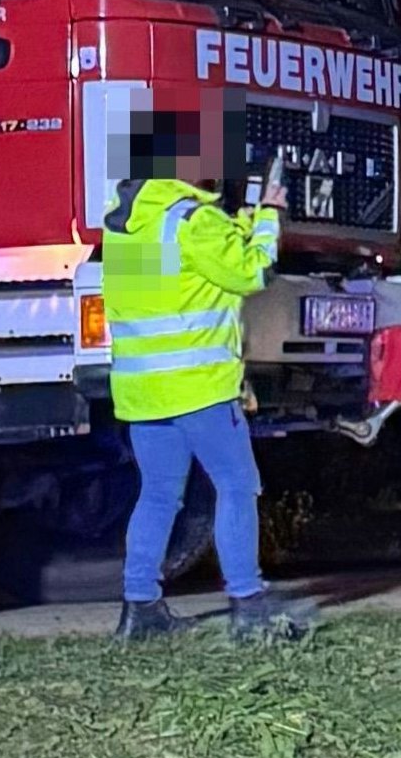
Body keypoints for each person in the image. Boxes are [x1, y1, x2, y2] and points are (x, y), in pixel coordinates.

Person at [105, 144, 313, 642]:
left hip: (143, 392)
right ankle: (248, 604)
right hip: (201, 389)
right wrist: (269, 216)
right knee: (237, 487)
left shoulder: (126, 226)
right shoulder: (195, 222)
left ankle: (139, 609)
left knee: (158, 495)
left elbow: (200, 264)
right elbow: (252, 271)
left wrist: (243, 220)